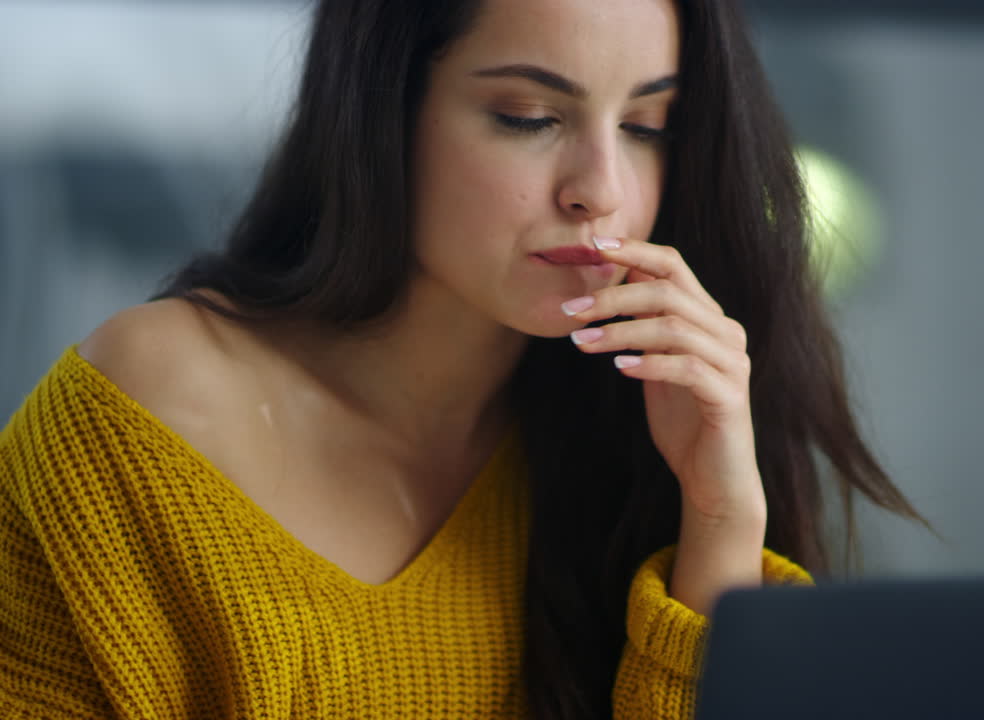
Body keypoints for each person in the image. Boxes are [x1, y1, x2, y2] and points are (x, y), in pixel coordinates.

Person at [0, 0, 923, 717]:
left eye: (647, 126)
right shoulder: (150, 413)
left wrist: (719, 522)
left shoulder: (636, 445)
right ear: (382, 108)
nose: (600, 190)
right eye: (529, 116)